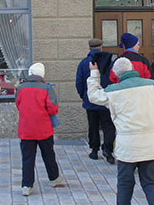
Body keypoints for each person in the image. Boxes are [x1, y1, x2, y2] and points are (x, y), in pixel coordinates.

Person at [87, 57, 154, 205]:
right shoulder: (153, 86)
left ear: (116, 74)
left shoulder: (113, 90)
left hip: (127, 145)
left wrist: (94, 74)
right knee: (151, 182)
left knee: (125, 182)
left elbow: (93, 96)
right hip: (151, 143)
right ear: (133, 68)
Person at [15, 62, 66, 196]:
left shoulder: (20, 88)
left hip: (26, 129)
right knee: (48, 154)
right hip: (44, 129)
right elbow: (53, 108)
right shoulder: (46, 88)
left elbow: (18, 104)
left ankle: (27, 185)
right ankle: (54, 178)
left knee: (27, 158)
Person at [75, 38, 116, 164]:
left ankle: (94, 150)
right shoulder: (109, 62)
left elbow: (79, 82)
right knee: (108, 126)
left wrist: (84, 96)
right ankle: (108, 150)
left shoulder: (83, 63)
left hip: (90, 101)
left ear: (89, 48)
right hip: (105, 99)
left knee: (93, 126)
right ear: (101, 47)